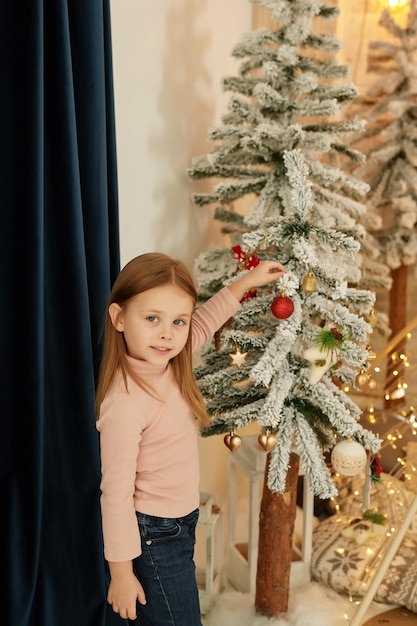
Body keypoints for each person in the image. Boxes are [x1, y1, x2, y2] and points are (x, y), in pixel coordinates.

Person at [96, 251, 285, 625]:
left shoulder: (169, 362)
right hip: (154, 535)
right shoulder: (125, 403)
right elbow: (114, 495)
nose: (167, 333)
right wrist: (120, 573)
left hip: (180, 523)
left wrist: (248, 280)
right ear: (119, 318)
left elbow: (207, 319)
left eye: (178, 321)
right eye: (152, 319)